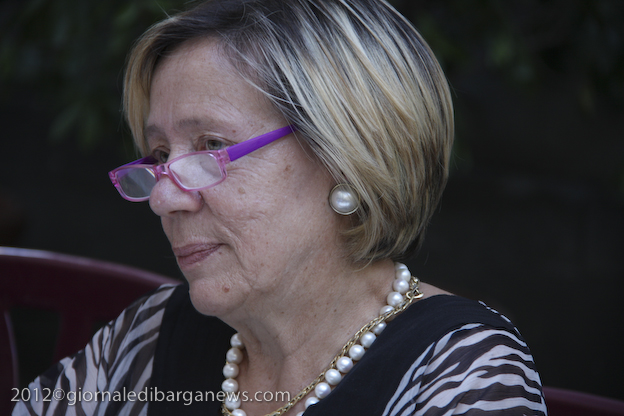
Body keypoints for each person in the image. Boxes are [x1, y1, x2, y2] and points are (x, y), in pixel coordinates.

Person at [12, 0, 547, 415]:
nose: (163, 197)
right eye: (158, 156)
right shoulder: (152, 335)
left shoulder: (460, 373)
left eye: (212, 146)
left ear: (345, 156)